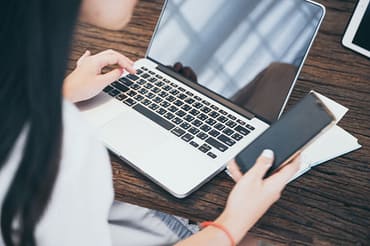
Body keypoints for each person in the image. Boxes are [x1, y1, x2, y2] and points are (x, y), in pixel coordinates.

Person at [0, 0, 300, 245]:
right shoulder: (58, 148)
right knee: (265, 236)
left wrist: (63, 94)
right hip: (138, 229)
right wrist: (233, 223)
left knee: (280, 71)